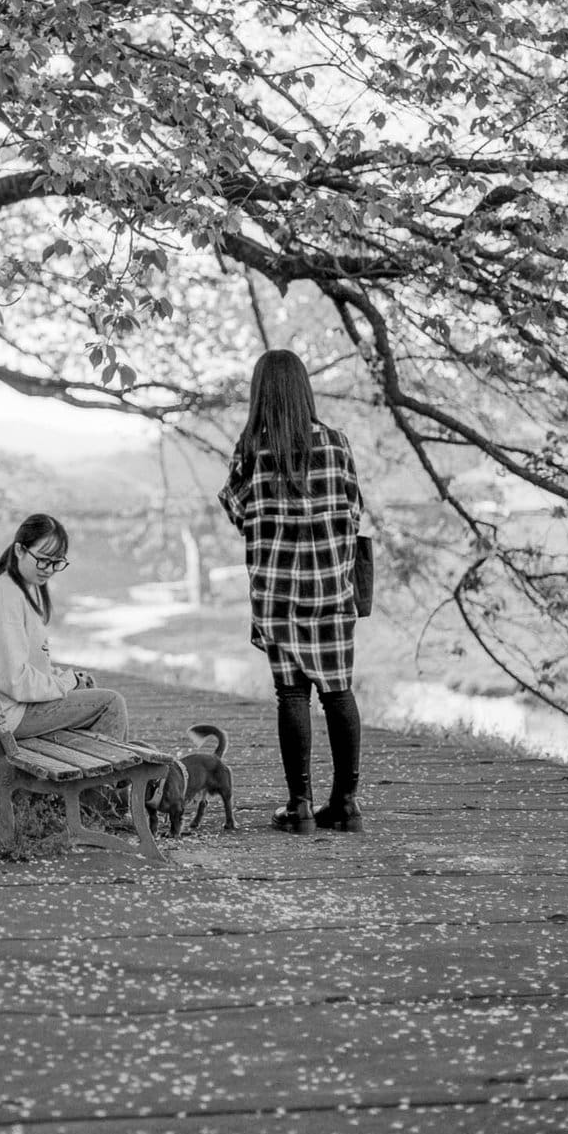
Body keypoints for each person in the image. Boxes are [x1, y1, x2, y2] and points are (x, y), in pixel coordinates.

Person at [219, 350, 365, 833]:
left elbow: (238, 513)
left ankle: (299, 806)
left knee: (292, 694)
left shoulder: (252, 451)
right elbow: (354, 510)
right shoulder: (337, 443)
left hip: (278, 592)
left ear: (262, 393)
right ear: (304, 389)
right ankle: (345, 803)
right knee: (338, 691)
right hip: (330, 591)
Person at [0, 513, 128, 742]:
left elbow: (22, 666)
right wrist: (66, 683)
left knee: (86, 689)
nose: (49, 569)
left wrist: (68, 680)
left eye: (56, 562)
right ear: (19, 551)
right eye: (43, 560)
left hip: (4, 709)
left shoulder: (16, 589)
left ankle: (101, 772)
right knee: (110, 704)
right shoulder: (7, 596)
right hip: (8, 715)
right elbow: (14, 681)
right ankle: (108, 776)